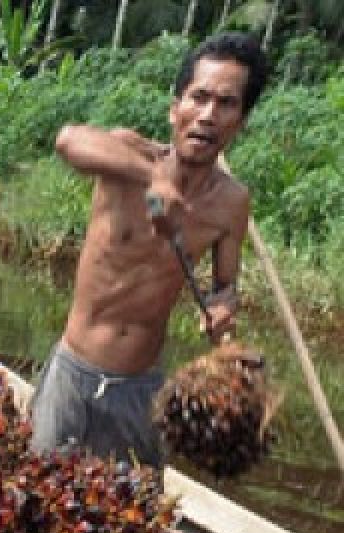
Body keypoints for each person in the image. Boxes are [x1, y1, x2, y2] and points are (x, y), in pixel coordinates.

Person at [30, 33, 269, 469]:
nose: (208, 115)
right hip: (73, 373)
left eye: (226, 104)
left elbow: (224, 288)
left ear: (242, 120)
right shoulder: (125, 157)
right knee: (36, 503)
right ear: (175, 108)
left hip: (140, 388)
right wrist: (153, 179)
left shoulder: (232, 203)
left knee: (134, 519)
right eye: (199, 98)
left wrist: (222, 310)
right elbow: (68, 140)